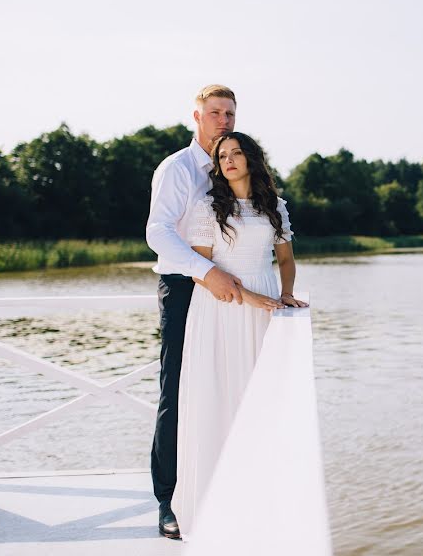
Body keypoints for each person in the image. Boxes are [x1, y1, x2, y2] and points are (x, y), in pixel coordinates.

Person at [171, 131, 307, 542]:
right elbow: (200, 269)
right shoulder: (208, 207)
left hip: (265, 307)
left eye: (236, 153)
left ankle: (261, 499)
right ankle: (214, 504)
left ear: (251, 158)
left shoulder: (274, 207)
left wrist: (284, 294)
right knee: (220, 395)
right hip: (221, 309)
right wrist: (246, 296)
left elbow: (285, 258)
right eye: (222, 156)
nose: (228, 161)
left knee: (258, 398)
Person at [146, 84, 244, 539]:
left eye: (229, 113)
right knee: (177, 391)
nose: (223, 120)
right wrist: (204, 272)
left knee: (223, 386)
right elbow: (158, 233)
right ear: (197, 117)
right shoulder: (177, 168)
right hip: (186, 286)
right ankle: (169, 502)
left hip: (227, 291)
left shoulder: (234, 168)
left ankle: (223, 483)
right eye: (215, 113)